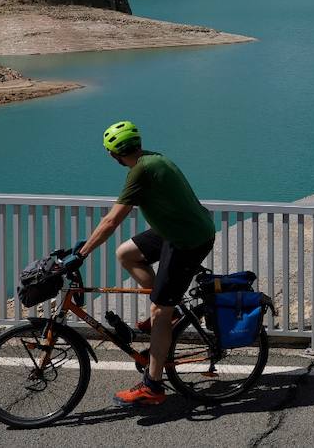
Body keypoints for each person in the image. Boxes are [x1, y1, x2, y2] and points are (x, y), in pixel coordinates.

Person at [67, 120, 216, 406]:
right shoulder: (151, 159)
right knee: (126, 253)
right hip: (177, 228)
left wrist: (82, 254)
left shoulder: (140, 172)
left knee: (159, 311)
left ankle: (153, 385)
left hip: (188, 239)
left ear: (113, 155)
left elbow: (111, 221)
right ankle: (168, 314)